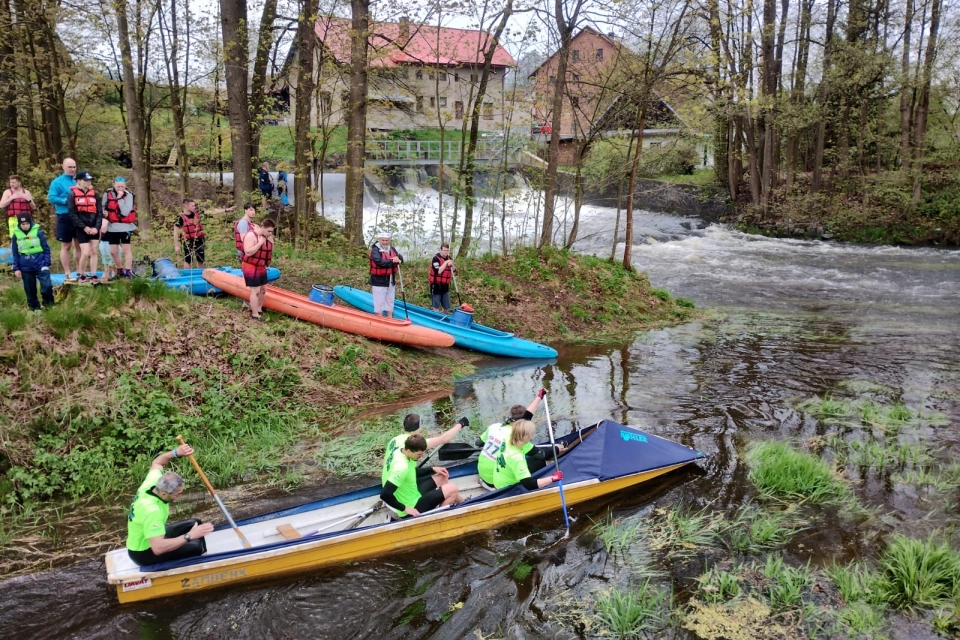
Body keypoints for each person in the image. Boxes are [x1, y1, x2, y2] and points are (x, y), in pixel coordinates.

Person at [126, 441, 215, 567]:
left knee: (195, 522)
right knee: (195, 545)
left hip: (149, 537)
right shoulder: (152, 511)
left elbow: (157, 462)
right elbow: (158, 548)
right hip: (144, 553)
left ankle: (203, 556)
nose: (179, 497)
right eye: (177, 494)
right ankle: (198, 563)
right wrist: (190, 536)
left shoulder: (152, 483)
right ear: (163, 494)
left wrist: (176, 453)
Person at [477, 389, 554, 487]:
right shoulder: (517, 437)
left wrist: (539, 397)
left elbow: (478, 443)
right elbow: (541, 455)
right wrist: (557, 449)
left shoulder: (494, 426)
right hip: (495, 480)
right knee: (538, 461)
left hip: (482, 471)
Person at [380, 434, 460, 518]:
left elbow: (411, 472)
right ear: (409, 450)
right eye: (419, 454)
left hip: (413, 493)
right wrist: (405, 508)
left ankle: (465, 502)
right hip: (411, 506)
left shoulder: (399, 451)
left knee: (442, 476)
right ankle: (438, 519)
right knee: (453, 489)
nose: (422, 457)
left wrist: (432, 469)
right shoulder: (401, 467)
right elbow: (385, 495)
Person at [491, 420, 563, 490]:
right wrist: (553, 478)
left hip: (498, 479)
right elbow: (530, 485)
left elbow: (540, 454)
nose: (531, 436)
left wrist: (556, 449)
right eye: (531, 434)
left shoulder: (508, 438)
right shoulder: (517, 458)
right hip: (506, 488)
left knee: (539, 461)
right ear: (527, 437)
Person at [384, 413, 469, 467]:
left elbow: (384, 462)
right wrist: (461, 424)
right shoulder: (415, 442)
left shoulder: (393, 440)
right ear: (419, 427)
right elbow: (444, 439)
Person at [173, 199, 235, 268]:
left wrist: (226, 210)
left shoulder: (197, 213)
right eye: (192, 206)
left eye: (194, 205)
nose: (194, 207)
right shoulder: (179, 217)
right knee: (188, 260)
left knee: (201, 259)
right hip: (188, 241)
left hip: (199, 240)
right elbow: (176, 232)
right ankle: (187, 276)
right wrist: (177, 246)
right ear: (186, 206)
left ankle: (200, 274)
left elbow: (212, 212)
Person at [11, 213, 54, 311]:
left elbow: (46, 248)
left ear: (30, 222)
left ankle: (49, 306)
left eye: (27, 223)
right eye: (23, 224)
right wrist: (17, 268)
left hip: (40, 263)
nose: (25, 226)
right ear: (19, 224)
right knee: (30, 289)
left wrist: (46, 263)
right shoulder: (15, 236)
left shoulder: (38, 232)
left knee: (46, 286)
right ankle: (34, 309)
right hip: (25, 265)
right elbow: (15, 252)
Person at [66, 170, 102, 284]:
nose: (88, 182)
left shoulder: (95, 194)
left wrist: (97, 227)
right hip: (81, 227)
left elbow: (99, 212)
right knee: (85, 252)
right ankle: (81, 274)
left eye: (89, 180)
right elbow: (72, 213)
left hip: (94, 226)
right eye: (86, 180)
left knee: (94, 251)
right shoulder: (72, 194)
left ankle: (94, 274)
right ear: (79, 181)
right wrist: (83, 227)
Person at [47, 158, 79, 280]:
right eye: (70, 167)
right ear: (63, 167)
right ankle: (67, 273)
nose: (72, 169)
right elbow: (52, 198)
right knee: (66, 245)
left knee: (79, 245)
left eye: (74, 167)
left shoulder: (79, 181)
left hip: (79, 216)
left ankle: (80, 271)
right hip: (64, 215)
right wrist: (66, 201)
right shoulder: (57, 182)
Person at [101, 177, 136, 278]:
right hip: (112, 227)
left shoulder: (129, 195)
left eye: (122, 186)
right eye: (118, 186)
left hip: (125, 227)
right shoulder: (107, 194)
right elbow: (103, 207)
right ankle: (120, 270)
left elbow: (125, 211)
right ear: (113, 185)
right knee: (113, 251)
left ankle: (128, 272)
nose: (120, 188)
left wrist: (120, 198)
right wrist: (104, 213)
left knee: (126, 250)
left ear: (125, 186)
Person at [241, 218, 275, 321]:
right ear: (262, 228)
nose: (270, 234)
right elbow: (248, 252)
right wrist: (260, 243)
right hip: (250, 265)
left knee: (263, 289)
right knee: (255, 291)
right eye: (268, 231)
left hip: (261, 266)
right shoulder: (251, 235)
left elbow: (270, 250)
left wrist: (269, 240)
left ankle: (259, 309)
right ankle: (254, 315)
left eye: (272, 232)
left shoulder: (268, 237)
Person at [369, 231, 403, 318]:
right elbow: (379, 262)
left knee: (390, 299)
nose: (385, 242)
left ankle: (389, 317)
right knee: (379, 301)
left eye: (387, 240)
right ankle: (379, 318)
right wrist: (392, 260)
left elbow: (399, 257)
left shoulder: (392, 249)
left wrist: (399, 259)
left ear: (389, 240)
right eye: (383, 240)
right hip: (379, 280)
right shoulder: (375, 250)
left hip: (390, 280)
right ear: (379, 240)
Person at [1, 175, 38, 239]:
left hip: (26, 218)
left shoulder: (26, 192)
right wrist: (11, 198)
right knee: (14, 237)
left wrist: (28, 199)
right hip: (14, 218)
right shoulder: (7, 192)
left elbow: (34, 207)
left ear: (19, 183)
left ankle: (28, 248)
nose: (12, 184)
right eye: (11, 182)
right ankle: (14, 249)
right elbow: (1, 205)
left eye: (14, 182)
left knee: (28, 237)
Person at [429, 243, 455, 313]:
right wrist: (446, 263)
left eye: (447, 250)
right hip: (436, 285)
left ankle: (443, 318)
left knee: (446, 307)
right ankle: (436, 319)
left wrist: (452, 265)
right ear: (441, 250)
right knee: (436, 306)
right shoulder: (435, 259)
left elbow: (454, 271)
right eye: (444, 250)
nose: (446, 252)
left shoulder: (449, 258)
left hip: (445, 286)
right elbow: (438, 271)